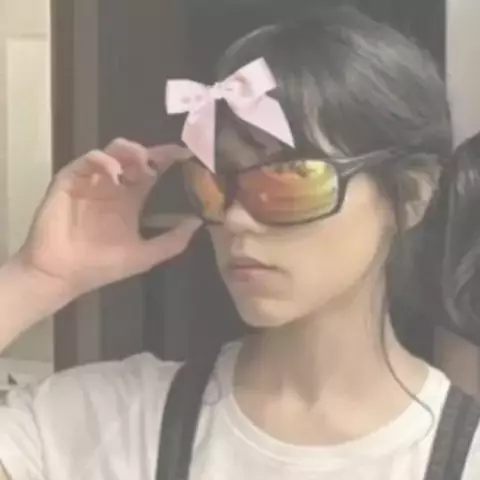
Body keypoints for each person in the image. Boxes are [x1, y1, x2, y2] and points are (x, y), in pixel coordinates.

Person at [1, 6, 480, 480]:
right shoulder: (111, 426)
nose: (235, 218)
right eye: (215, 183)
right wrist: (35, 279)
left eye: (289, 178)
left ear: (412, 196)